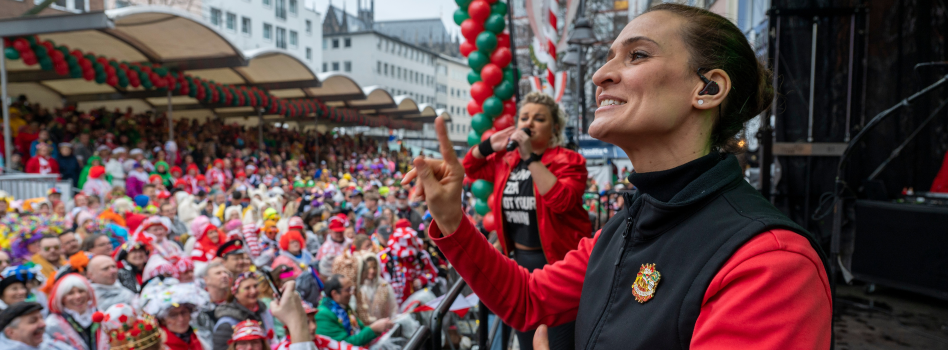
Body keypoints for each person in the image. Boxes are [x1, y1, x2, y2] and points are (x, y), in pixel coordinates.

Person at [404, 4, 831, 349]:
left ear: (708, 88)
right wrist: (450, 220)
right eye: (609, 57)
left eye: (637, 55)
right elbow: (528, 298)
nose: (600, 74)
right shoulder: (621, 228)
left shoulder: (770, 264)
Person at [314, 274, 390, 347]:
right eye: (348, 290)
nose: (351, 293)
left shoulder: (344, 307)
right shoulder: (322, 315)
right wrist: (373, 329)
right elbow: (344, 344)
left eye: (351, 289)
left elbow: (360, 329)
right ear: (335, 294)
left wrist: (378, 328)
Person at [44, 273, 109, 350]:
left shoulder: (102, 315)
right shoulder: (53, 324)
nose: (78, 296)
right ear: (62, 298)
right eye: (70, 293)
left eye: (81, 291)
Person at [212, 272, 275, 350]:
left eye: (255, 286)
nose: (253, 291)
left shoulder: (263, 311)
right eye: (247, 288)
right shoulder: (227, 323)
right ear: (236, 293)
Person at [0, 302, 72, 350]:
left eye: (41, 318)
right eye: (33, 321)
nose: (43, 324)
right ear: (10, 332)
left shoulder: (48, 343)